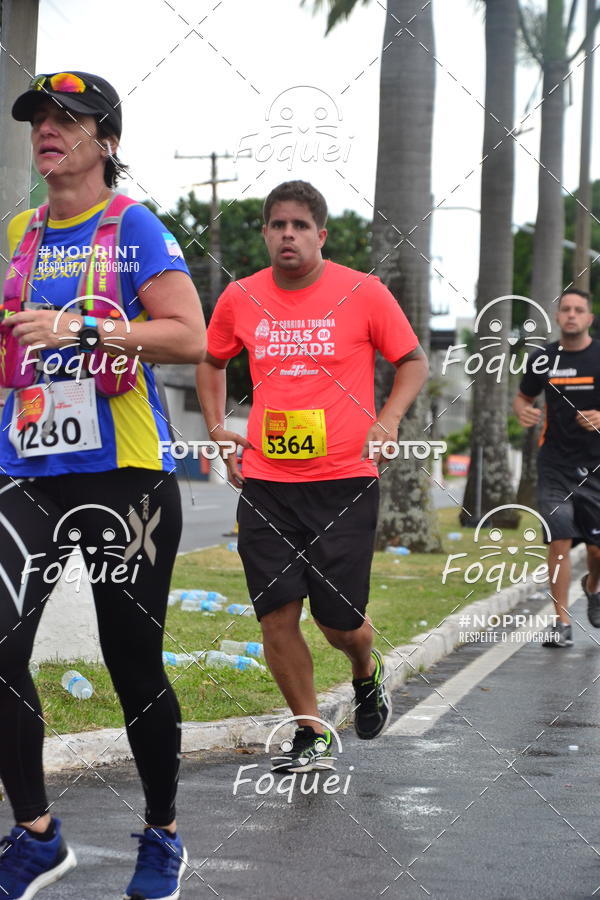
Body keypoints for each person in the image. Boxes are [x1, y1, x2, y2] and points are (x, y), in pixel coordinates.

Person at [0, 72, 206, 899]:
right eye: (40, 119)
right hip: (27, 472)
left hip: (127, 480)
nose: (48, 130)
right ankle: (38, 833)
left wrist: (81, 326)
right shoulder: (18, 232)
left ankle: (162, 833)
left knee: (133, 665)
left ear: (107, 142)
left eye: (69, 120)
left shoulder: (133, 227)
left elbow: (188, 334)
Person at [196, 180, 428, 770]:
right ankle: (311, 730)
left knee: (339, 623)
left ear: (321, 235)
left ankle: (364, 669)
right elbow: (210, 360)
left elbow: (412, 361)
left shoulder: (363, 291)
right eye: (278, 225)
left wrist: (390, 419)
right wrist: (222, 430)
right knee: (275, 611)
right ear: (267, 233)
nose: (288, 235)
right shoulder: (240, 297)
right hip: (268, 484)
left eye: (300, 225)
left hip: (344, 482)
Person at [514, 288, 600, 648]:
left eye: (579, 310)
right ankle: (561, 622)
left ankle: (593, 586)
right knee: (559, 538)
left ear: (589, 318)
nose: (571, 315)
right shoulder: (542, 358)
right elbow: (523, 396)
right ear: (558, 316)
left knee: (596, 550)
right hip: (554, 465)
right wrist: (522, 410)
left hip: (597, 466)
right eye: (565, 309)